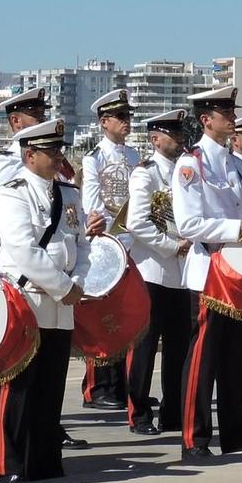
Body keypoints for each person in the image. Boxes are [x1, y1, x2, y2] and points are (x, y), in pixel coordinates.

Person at [171, 84, 242, 460]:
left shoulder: (236, 162)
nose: (233, 119)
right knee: (204, 358)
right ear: (207, 120)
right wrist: (240, 228)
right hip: (210, 270)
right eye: (226, 114)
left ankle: (235, 430)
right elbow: (189, 224)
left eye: (232, 113)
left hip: (238, 270)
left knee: (236, 355)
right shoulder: (192, 164)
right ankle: (195, 437)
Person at [0, 118, 91, 483]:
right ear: (29, 155)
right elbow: (23, 250)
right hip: (28, 299)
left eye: (59, 149)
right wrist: (65, 287)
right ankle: (14, 465)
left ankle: (46, 460)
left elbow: (82, 247)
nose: (58, 157)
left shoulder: (69, 195)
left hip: (61, 303)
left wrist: (76, 282)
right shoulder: (12, 193)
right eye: (51, 151)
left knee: (51, 385)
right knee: (20, 387)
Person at [123, 110, 195, 437]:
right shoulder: (146, 174)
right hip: (153, 270)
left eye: (180, 133)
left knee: (179, 348)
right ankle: (139, 413)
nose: (179, 139)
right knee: (144, 348)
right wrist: (171, 246)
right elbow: (137, 223)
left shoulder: (186, 171)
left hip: (182, 273)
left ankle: (173, 412)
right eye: (172, 134)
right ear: (155, 139)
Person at [78, 88, 139, 411]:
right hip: (109, 241)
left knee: (126, 315)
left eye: (128, 116)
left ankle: (123, 382)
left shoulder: (133, 157)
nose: (127, 122)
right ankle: (98, 386)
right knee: (102, 317)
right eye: (121, 117)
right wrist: (114, 232)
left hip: (133, 242)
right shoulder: (95, 158)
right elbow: (93, 204)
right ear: (104, 122)